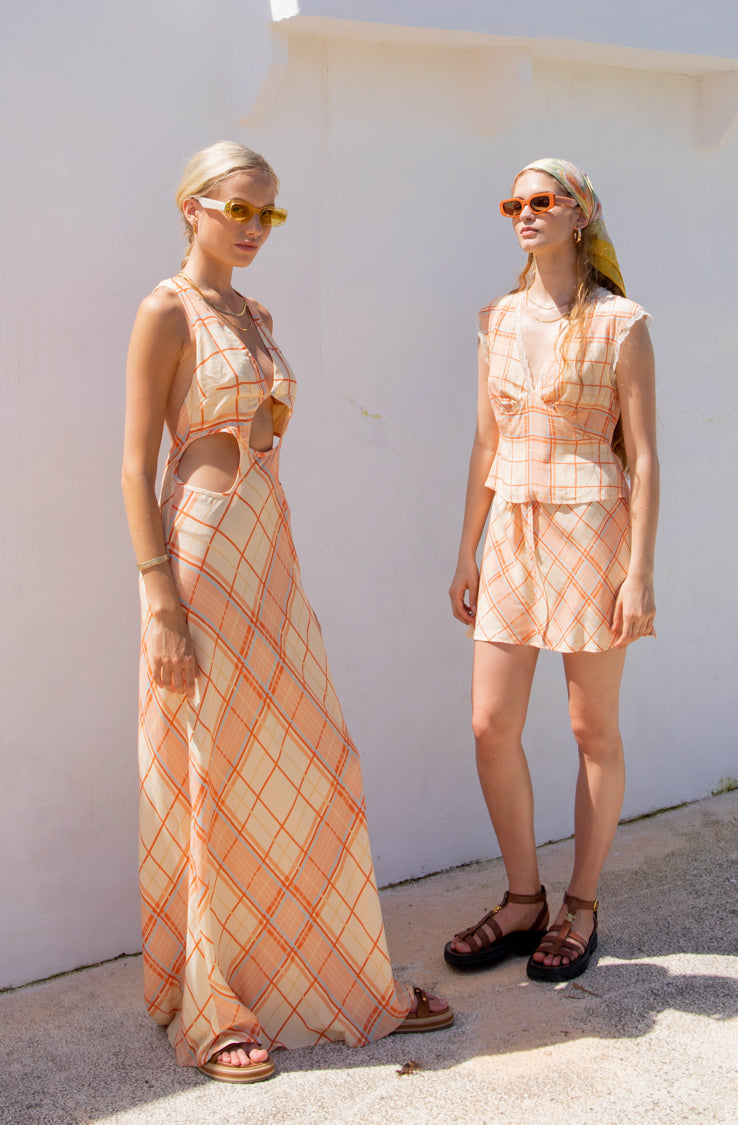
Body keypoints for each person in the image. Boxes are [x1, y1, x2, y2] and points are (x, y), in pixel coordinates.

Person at [122, 141, 452, 1083]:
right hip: (201, 555)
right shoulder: (166, 309)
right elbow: (133, 467)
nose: (254, 226)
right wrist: (160, 602)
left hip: (269, 551)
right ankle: (216, 1002)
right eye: (238, 207)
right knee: (215, 766)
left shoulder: (255, 315)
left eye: (268, 213)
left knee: (318, 759)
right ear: (191, 206)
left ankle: (344, 976)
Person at [445, 158, 659, 983]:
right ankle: (523, 898)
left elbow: (645, 456)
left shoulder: (621, 322)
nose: (525, 214)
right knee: (489, 723)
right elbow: (485, 442)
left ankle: (582, 903)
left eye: (541, 201)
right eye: (514, 204)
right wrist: (466, 547)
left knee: (590, 728)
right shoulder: (495, 319)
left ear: (581, 213)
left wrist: (639, 572)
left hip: (594, 527)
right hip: (511, 529)